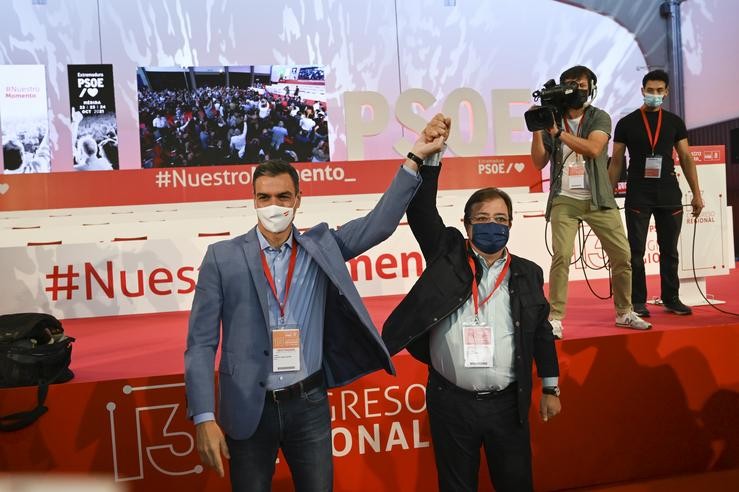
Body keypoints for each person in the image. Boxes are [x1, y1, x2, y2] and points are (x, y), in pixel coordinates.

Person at [185, 114, 449, 491]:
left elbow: (380, 224)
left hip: (307, 405)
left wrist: (415, 158)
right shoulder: (221, 257)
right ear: (253, 200)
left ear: (298, 200)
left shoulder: (320, 247)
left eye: (282, 197)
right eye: (264, 198)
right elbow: (200, 344)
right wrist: (203, 417)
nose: (273, 206)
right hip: (247, 407)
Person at [382, 124, 560, 492]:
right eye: (481, 219)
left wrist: (550, 387)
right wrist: (431, 158)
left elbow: (541, 330)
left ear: (511, 224)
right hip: (452, 403)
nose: (491, 226)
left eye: (499, 220)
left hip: (508, 405)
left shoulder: (527, 272)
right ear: (466, 225)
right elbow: (420, 210)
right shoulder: (447, 254)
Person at [530, 65, 651, 338]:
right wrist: (538, 129)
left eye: (580, 84)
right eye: (569, 83)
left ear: (591, 87)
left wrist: (559, 133)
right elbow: (538, 161)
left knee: (622, 255)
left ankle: (624, 312)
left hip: (598, 198)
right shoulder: (554, 119)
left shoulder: (599, 117)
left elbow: (594, 149)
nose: (574, 88)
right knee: (561, 256)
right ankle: (556, 318)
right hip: (565, 198)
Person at [609, 69, 704, 316]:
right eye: (650, 90)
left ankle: (671, 298)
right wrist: (608, 193)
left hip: (669, 193)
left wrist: (697, 193)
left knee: (670, 250)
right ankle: (638, 301)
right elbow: (616, 161)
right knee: (636, 251)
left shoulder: (674, 122)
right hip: (638, 193)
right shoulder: (626, 123)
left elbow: (685, 157)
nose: (654, 94)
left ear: (666, 92)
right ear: (642, 91)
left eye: (659, 91)